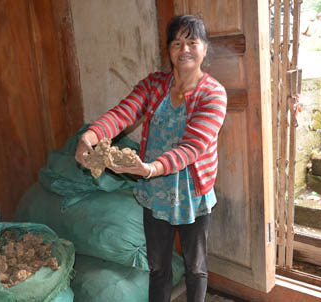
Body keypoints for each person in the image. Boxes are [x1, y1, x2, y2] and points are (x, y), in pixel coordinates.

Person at [75, 14, 227, 302]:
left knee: (196, 267)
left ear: (205, 48)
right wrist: (90, 137)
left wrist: (151, 168)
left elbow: (192, 147)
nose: (184, 50)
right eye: (177, 43)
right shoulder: (154, 84)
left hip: (191, 192)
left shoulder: (213, 94)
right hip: (154, 191)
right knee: (158, 267)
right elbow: (123, 113)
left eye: (192, 42)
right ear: (168, 50)